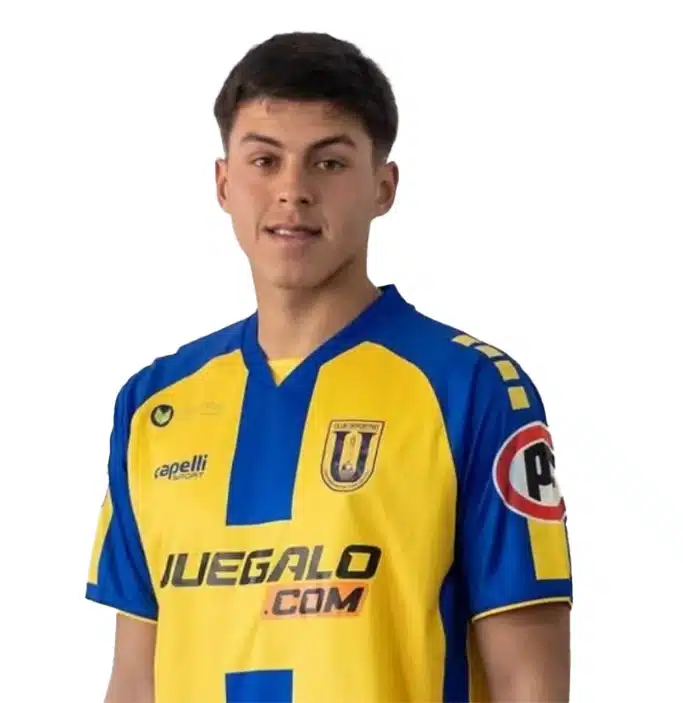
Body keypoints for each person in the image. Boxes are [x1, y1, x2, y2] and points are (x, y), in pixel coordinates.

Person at [86, 31, 572, 703]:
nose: (293, 191)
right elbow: (135, 679)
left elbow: (529, 678)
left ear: (383, 186)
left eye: (329, 163)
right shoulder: (153, 405)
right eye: (265, 160)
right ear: (224, 183)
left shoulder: (470, 388)